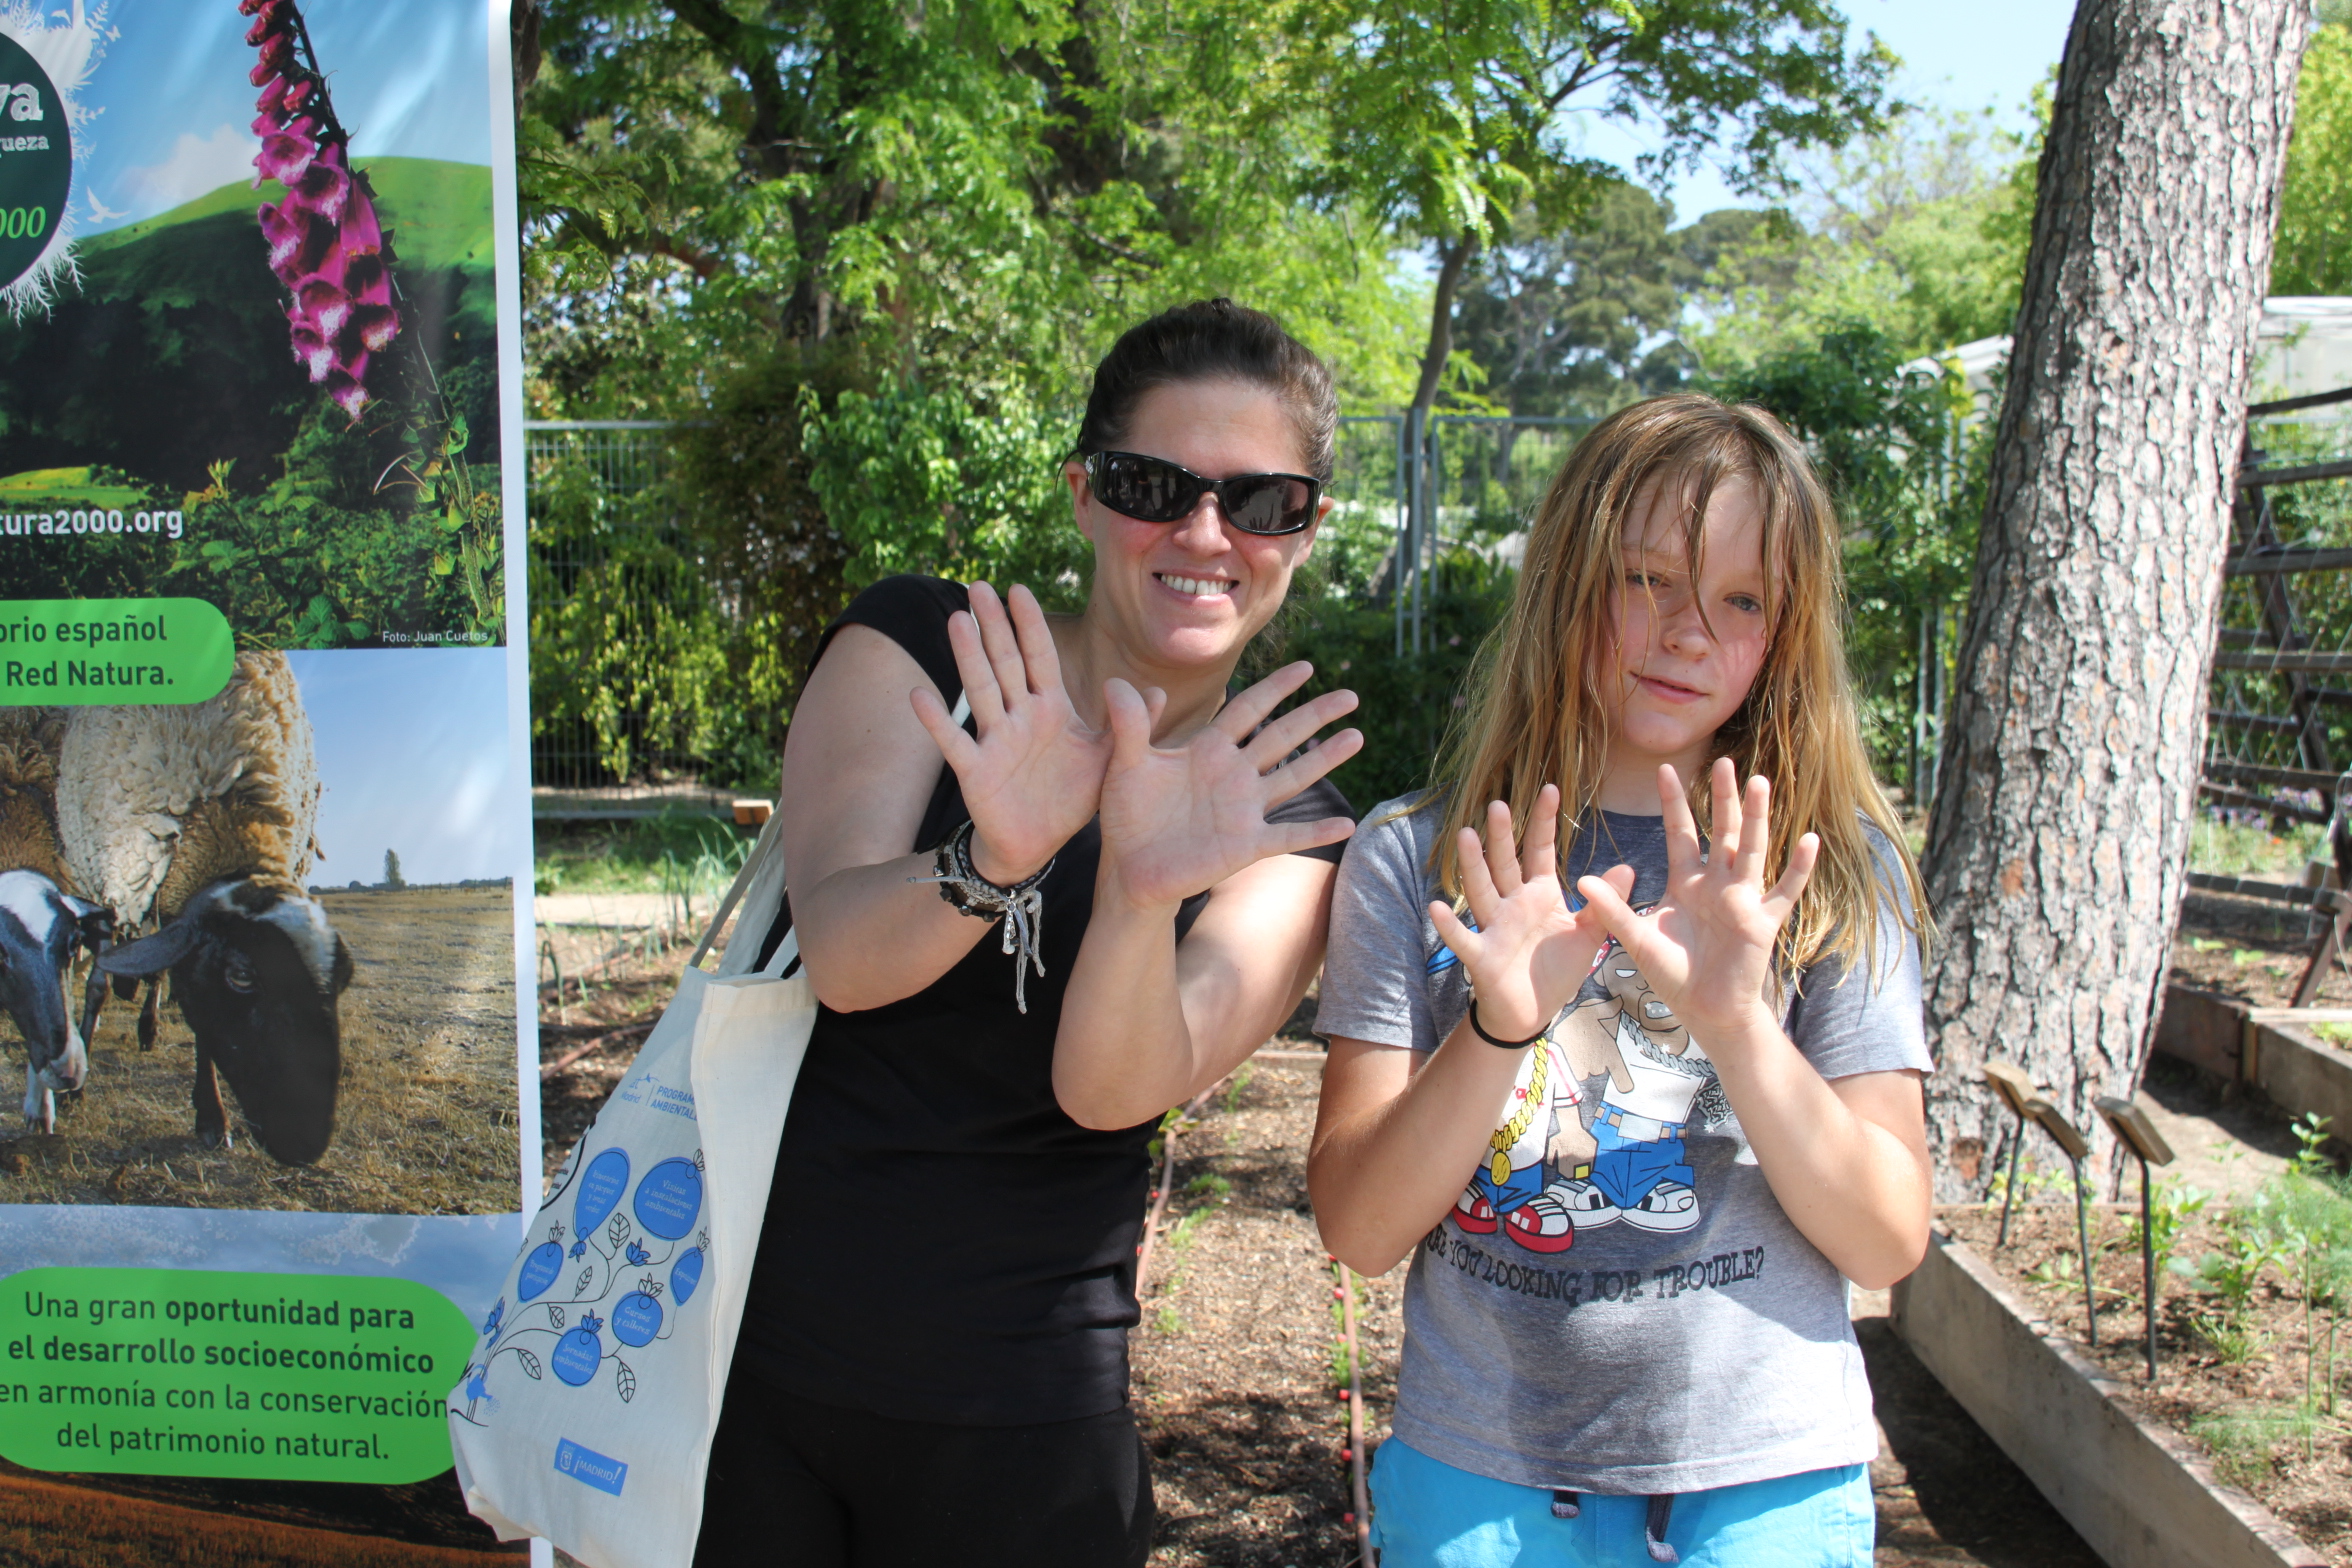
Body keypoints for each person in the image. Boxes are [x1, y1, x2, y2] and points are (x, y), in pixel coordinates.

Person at [695, 299, 1362, 1568]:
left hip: (1024, 1425)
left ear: (1307, 526)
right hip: (739, 1375)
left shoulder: (1289, 821)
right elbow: (839, 956)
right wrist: (994, 853)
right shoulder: (922, 649)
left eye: (1262, 499)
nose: (1204, 533)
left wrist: (1138, 885)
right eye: (1150, 484)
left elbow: (1112, 1092)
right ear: (1082, 496)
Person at [1307, 393, 1933, 1567]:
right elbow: (1359, 1223)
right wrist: (1499, 1026)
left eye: (1743, 598)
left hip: (1765, 1485)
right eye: (1650, 577)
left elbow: (1888, 1236)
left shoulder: (1832, 865)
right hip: (1478, 1476)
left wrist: (1737, 1024)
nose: (1693, 629)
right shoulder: (1417, 852)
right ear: (1566, 579)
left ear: (1786, 630)